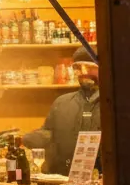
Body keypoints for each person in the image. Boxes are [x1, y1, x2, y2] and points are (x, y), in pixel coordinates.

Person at [24, 46, 99, 176]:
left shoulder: (117, 104)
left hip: (107, 180)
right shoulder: (62, 102)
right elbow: (49, 133)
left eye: (88, 67)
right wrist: (27, 139)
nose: (83, 72)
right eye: (78, 68)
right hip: (63, 179)